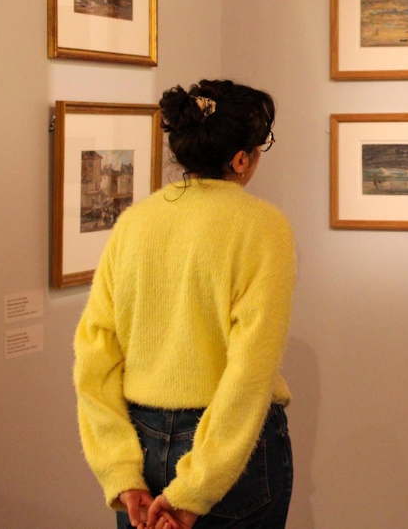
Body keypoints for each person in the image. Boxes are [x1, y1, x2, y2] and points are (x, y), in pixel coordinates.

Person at [74, 79, 296, 529]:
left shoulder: (134, 223)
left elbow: (95, 356)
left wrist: (119, 472)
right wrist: (197, 486)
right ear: (239, 158)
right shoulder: (263, 227)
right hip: (230, 455)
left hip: (142, 448)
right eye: (259, 147)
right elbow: (249, 372)